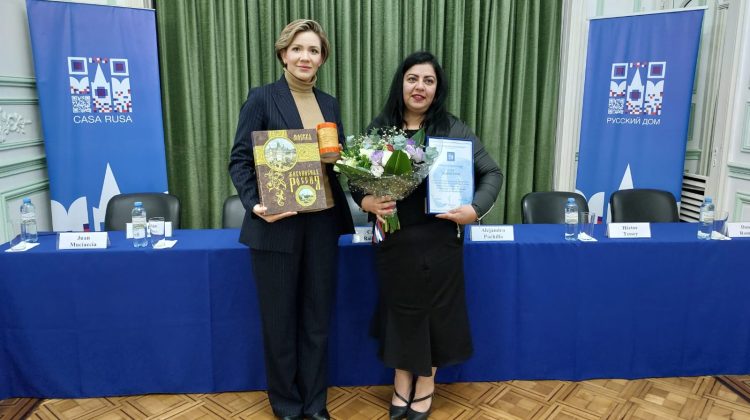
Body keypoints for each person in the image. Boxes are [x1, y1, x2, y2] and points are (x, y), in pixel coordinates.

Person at [352, 51, 503, 420]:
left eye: (429, 80)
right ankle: (402, 381)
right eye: (413, 78)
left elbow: (492, 174)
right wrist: (367, 200)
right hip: (394, 240)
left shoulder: (453, 128)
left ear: (437, 88)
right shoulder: (381, 127)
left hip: (441, 240)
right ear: (401, 83)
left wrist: (475, 209)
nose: (420, 87)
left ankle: (427, 383)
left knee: (437, 313)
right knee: (400, 312)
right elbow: (356, 179)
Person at [228, 19, 354, 420]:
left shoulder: (330, 103)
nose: (306, 57)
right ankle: (286, 405)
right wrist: (255, 204)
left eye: (314, 50)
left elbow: (336, 160)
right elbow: (240, 160)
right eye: (298, 49)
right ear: (284, 53)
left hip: (322, 224)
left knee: (317, 321)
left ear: (322, 59)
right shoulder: (262, 99)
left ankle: (315, 404)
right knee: (280, 322)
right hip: (277, 224)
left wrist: (347, 164)